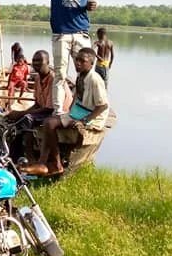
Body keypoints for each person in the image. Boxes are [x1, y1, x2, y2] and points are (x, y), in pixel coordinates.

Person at [27, 0, 97, 114]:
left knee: (87, 75)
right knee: (60, 75)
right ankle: (58, 112)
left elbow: (92, 0)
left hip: (81, 32)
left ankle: (83, 112)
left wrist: (92, 5)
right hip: (61, 34)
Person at [20, 48, 108, 176]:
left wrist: (84, 121)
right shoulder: (80, 75)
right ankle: (48, 163)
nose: (78, 63)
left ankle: (50, 164)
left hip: (93, 116)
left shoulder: (95, 79)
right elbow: (76, 97)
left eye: (82, 61)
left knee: (50, 122)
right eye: (76, 60)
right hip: (79, 112)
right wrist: (69, 114)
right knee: (49, 122)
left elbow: (103, 106)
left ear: (91, 63)